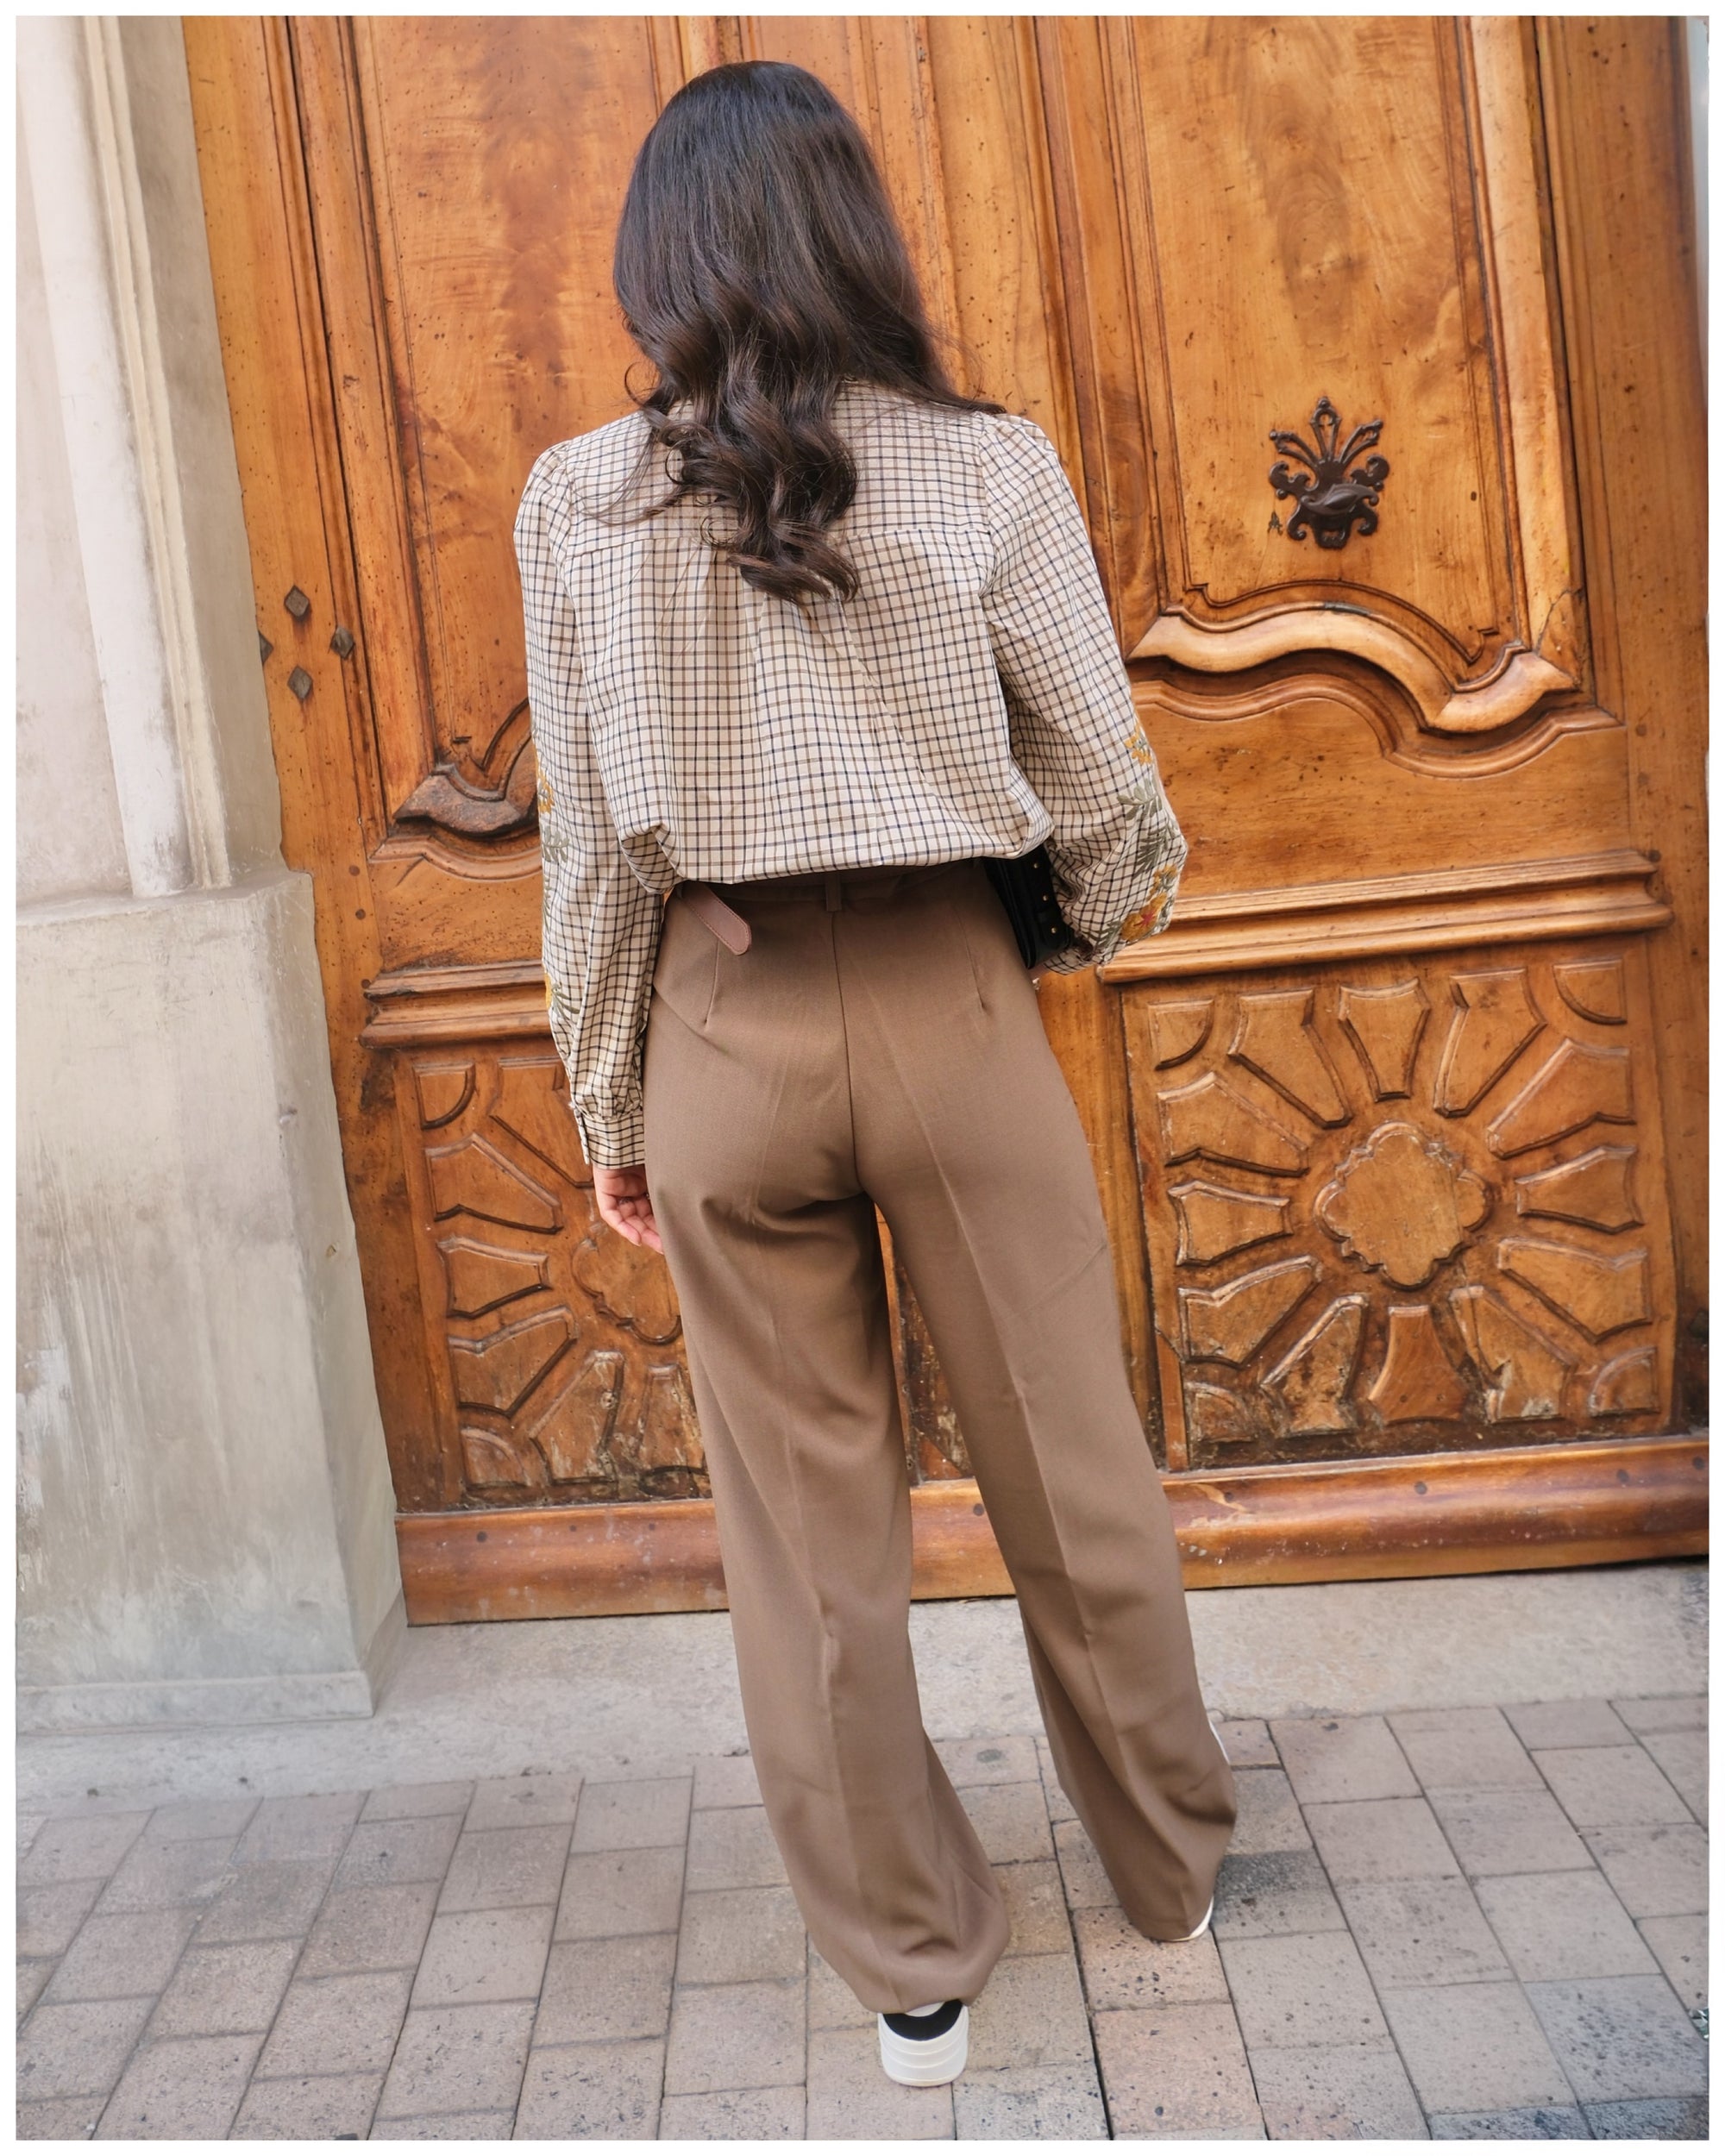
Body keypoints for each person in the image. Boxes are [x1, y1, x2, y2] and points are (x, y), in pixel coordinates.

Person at [515, 58, 1236, 2089]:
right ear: (856, 230)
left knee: (802, 1530)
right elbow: (1099, 775)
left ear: (658, 257)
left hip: (718, 1019)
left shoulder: (578, 501)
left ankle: (913, 1971)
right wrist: (1062, 930)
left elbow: (590, 847)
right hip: (946, 991)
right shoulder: (982, 467)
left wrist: (610, 1100)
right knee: (1069, 1460)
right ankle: (1167, 1863)